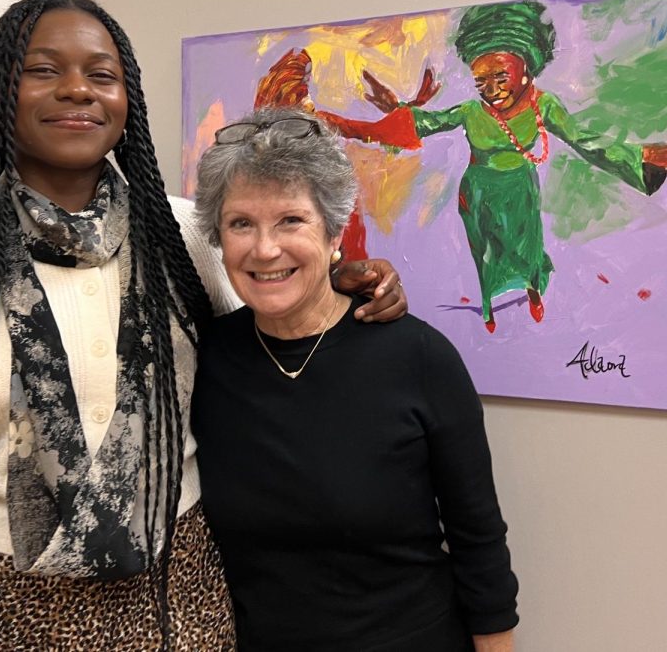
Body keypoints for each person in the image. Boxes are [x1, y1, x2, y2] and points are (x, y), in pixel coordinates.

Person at [0, 0, 407, 651]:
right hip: (10, 609)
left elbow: (268, 347)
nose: (78, 89)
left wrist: (341, 284)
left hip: (184, 597)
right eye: (44, 70)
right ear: (1, 89)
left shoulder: (187, 237)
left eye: (102, 74)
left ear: (126, 100)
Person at [191, 107, 519, 652]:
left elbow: (478, 541)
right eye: (241, 223)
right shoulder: (207, 359)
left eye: (291, 220)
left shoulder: (418, 357)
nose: (265, 248)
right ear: (218, 240)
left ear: (334, 233)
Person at [309, 0, 667, 333]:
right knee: (486, 254)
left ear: (525, 70)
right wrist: (346, 125)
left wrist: (643, 159)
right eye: (482, 81)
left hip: (520, 189)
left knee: (528, 251)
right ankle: (488, 307)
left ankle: (534, 291)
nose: (492, 89)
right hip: (478, 193)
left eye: (500, 76)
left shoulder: (542, 105)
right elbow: (420, 125)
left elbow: (585, 142)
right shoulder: (470, 111)